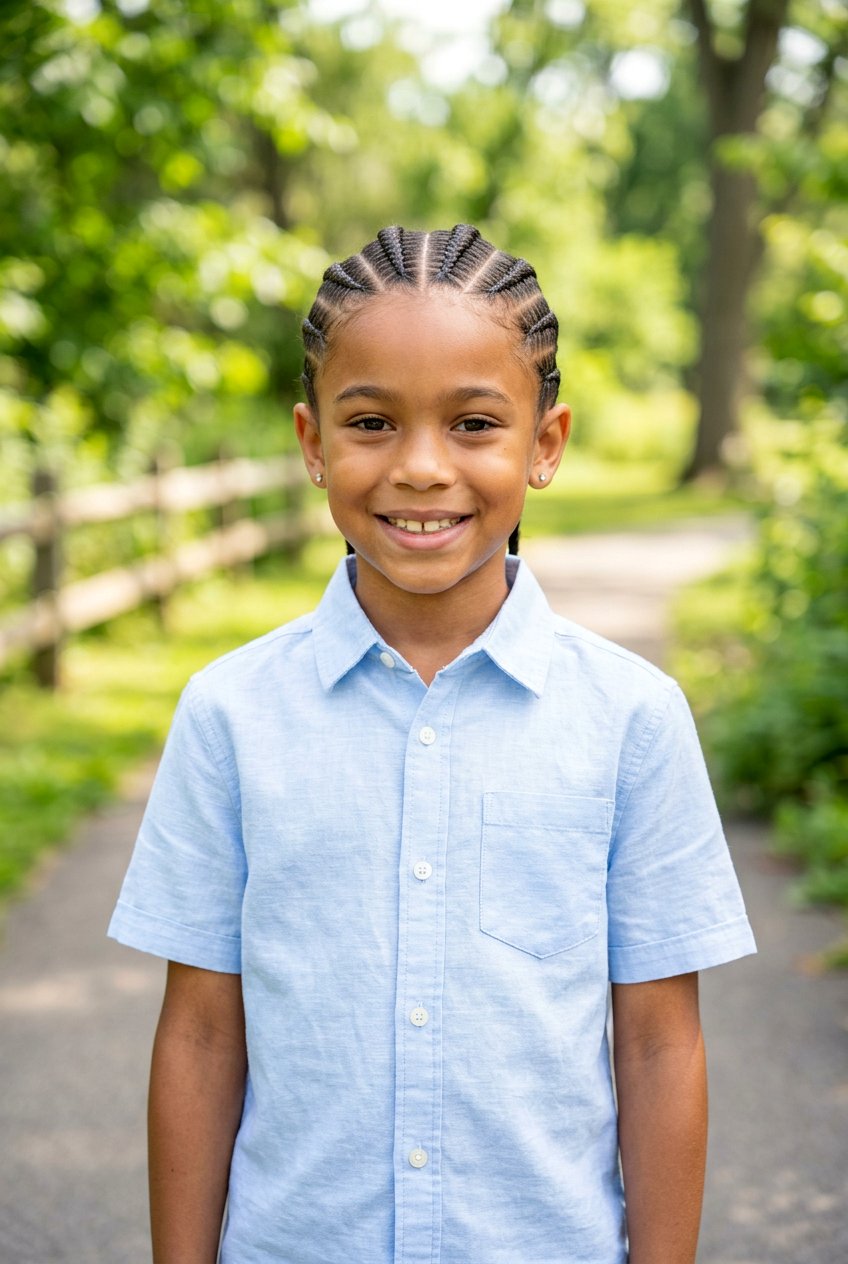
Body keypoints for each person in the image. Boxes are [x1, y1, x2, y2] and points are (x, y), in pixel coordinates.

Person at [108, 224, 756, 1264]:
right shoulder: (229, 714)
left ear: (543, 444)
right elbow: (198, 1033)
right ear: (312, 441)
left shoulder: (631, 718)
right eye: (369, 421)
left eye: (471, 423)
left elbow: (657, 1038)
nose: (419, 468)